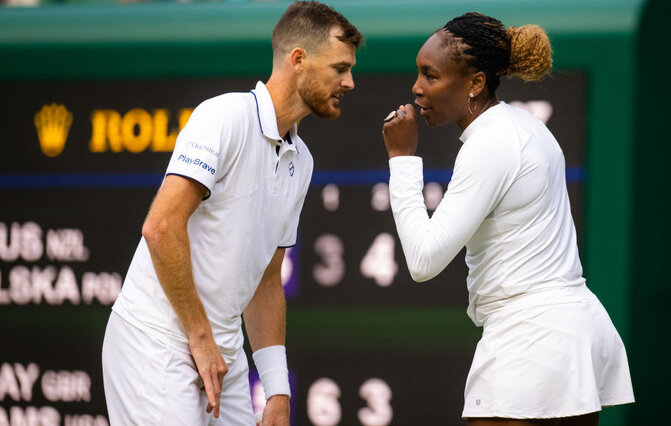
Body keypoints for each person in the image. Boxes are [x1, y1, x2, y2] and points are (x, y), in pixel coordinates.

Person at [101, 2, 361, 425]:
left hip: (221, 354)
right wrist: (201, 338)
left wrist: (277, 390)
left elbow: (266, 279)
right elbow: (161, 228)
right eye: (340, 68)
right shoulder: (223, 117)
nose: (350, 82)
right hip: (155, 345)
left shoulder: (303, 160)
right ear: (298, 60)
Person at [382, 12, 634, 426]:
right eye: (419, 74)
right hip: (574, 333)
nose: (417, 88)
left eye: (430, 75)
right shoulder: (524, 126)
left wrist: (402, 161)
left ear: (476, 83)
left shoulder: (491, 142)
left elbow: (423, 261)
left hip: (532, 341)